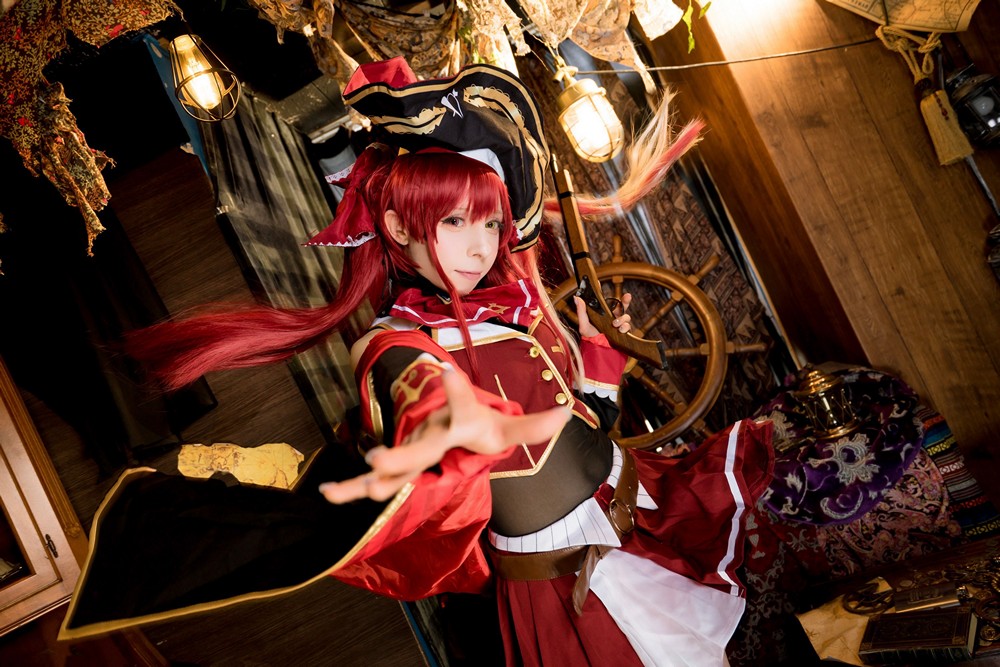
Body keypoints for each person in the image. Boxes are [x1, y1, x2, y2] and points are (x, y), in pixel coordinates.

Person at [59, 58, 773, 666]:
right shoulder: (396, 343)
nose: (479, 244)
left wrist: (598, 366)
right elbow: (423, 390)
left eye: (489, 221)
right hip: (568, 589)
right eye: (453, 221)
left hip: (639, 515)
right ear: (399, 226)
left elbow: (582, 419)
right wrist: (451, 415)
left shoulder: (514, 305)